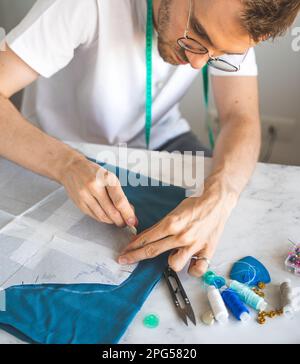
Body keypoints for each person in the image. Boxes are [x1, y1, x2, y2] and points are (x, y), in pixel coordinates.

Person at [0, 0, 299, 277]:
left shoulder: (231, 19)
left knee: (221, 235)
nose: (197, 63)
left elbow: (241, 118)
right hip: (66, 146)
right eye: (197, 32)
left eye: (218, 55)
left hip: (165, 139)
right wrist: (66, 165)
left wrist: (221, 194)